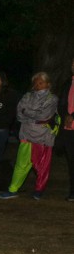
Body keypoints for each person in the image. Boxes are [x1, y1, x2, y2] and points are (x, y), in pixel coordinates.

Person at [0, 72, 59, 200]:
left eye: (41, 83)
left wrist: (27, 112)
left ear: (48, 84)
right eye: (35, 83)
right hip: (26, 134)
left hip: (43, 137)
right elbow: (19, 114)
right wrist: (32, 115)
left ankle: (38, 190)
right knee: (21, 164)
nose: (37, 85)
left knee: (42, 166)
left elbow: (44, 116)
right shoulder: (27, 95)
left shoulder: (52, 99)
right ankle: (12, 189)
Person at [57, 58, 74, 201]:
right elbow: (61, 103)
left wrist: (72, 116)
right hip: (68, 128)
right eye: (73, 63)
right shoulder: (68, 83)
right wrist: (66, 116)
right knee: (71, 161)